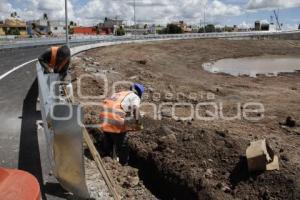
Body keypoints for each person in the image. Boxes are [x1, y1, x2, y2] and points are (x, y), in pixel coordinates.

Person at [99, 83, 145, 165]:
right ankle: (124, 165)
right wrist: (138, 122)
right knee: (123, 145)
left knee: (109, 139)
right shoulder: (135, 96)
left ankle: (107, 158)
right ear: (139, 93)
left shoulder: (120, 93)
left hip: (104, 119)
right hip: (115, 121)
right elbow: (135, 109)